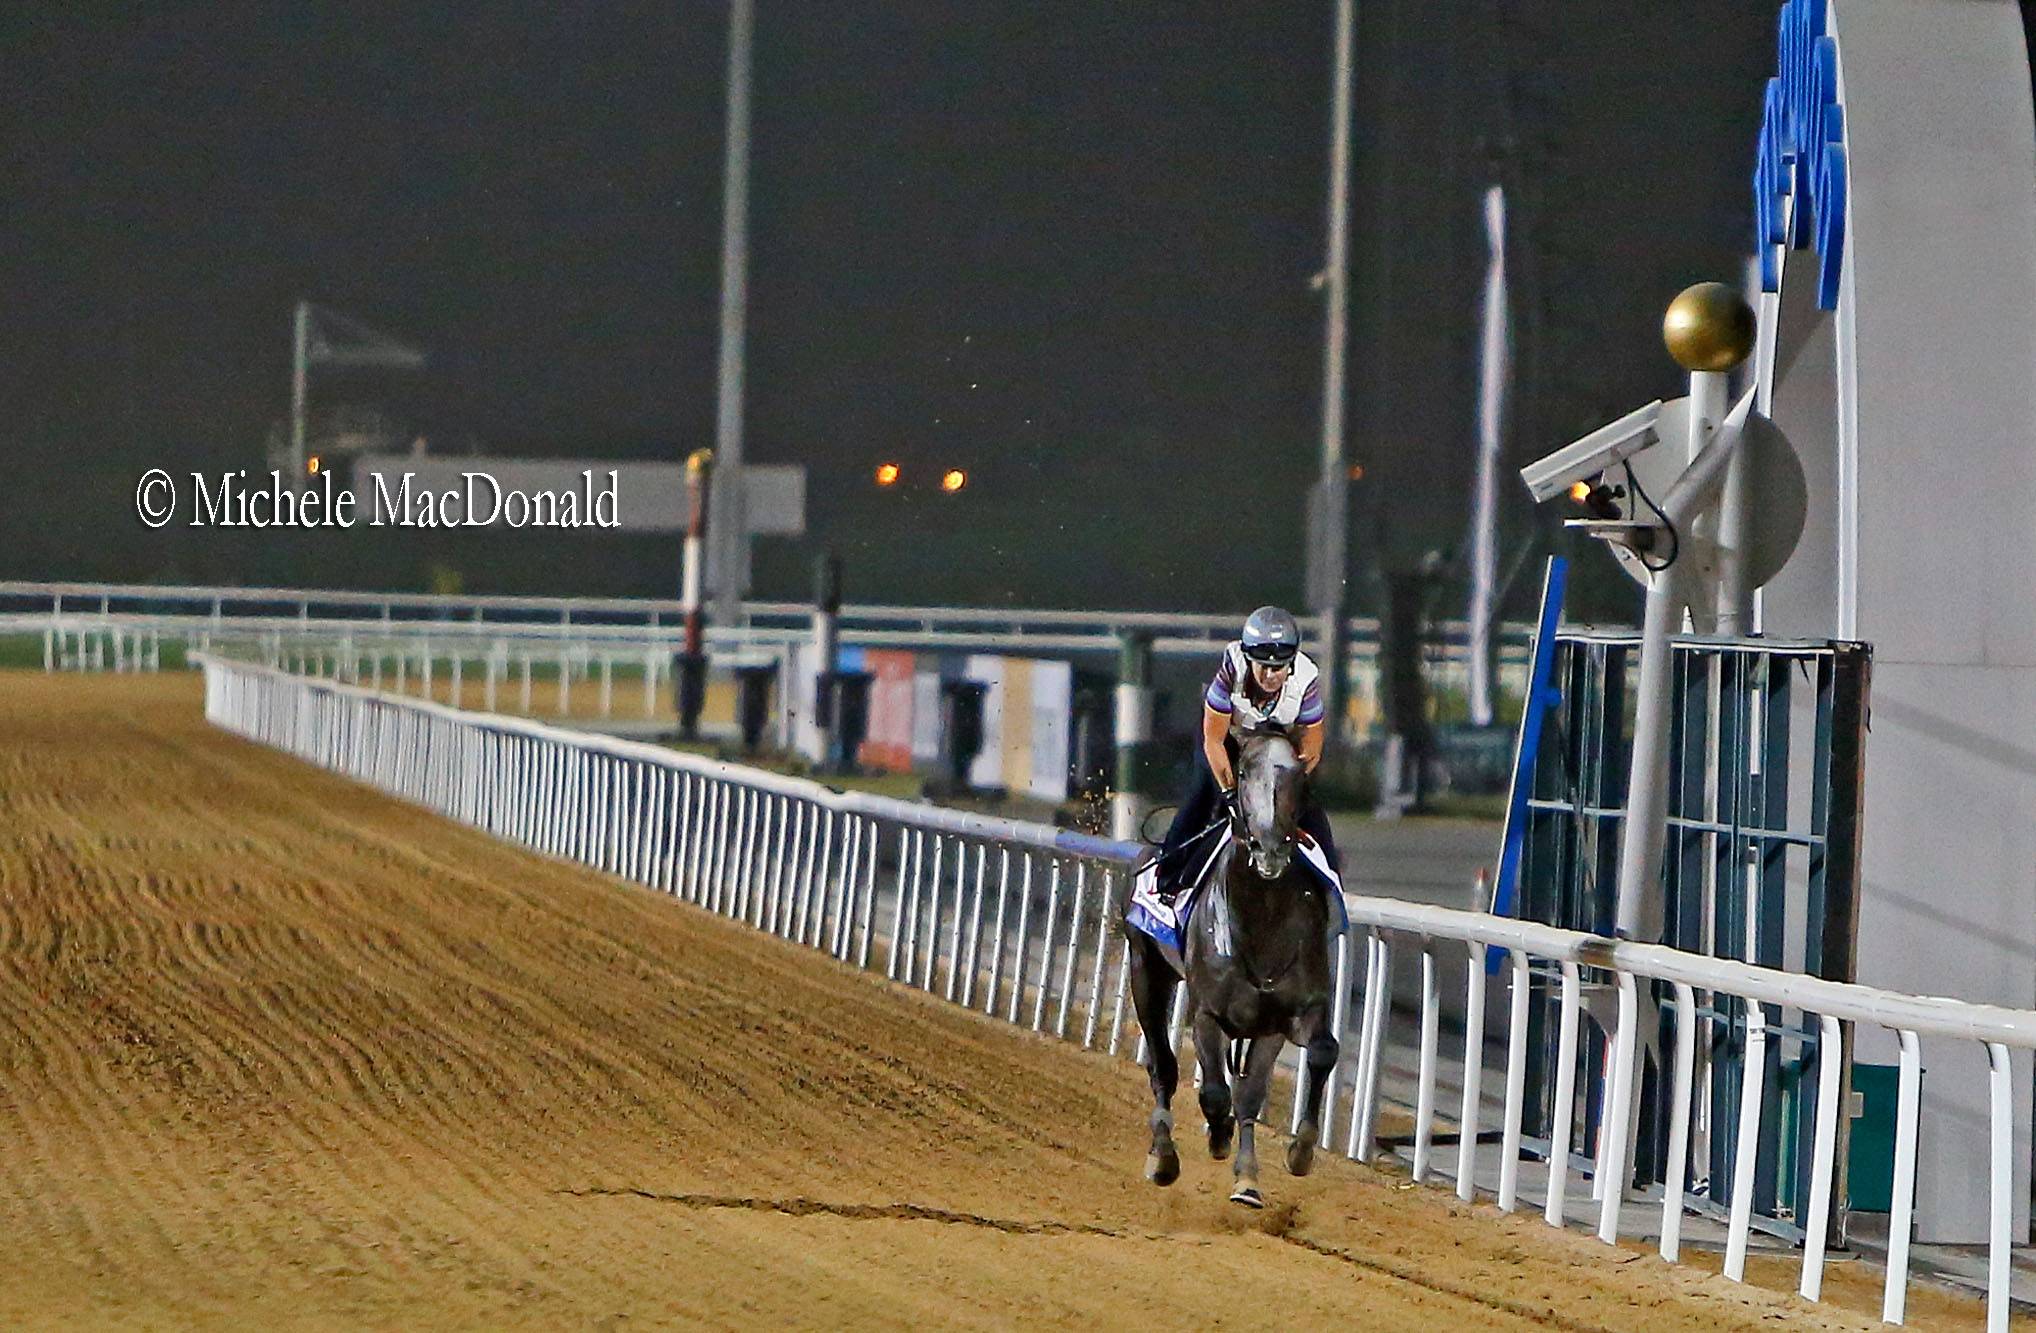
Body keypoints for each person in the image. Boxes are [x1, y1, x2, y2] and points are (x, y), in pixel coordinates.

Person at [1152, 605, 1342, 900]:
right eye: (1261, 666)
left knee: (1311, 811)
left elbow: (1312, 747)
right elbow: (1213, 740)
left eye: (1277, 668)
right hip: (1227, 742)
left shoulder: (1306, 682)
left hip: (1278, 749)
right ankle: (1166, 879)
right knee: (1203, 796)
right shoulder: (1231, 673)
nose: (1268, 675)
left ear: (1290, 664)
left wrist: (1291, 786)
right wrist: (1229, 792)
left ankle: (1332, 886)